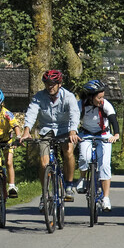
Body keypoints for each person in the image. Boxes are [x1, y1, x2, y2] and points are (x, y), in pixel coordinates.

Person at [21, 69, 81, 202]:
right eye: (47, 83)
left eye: (53, 84)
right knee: (43, 163)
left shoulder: (68, 97)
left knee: (68, 151)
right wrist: (26, 131)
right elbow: (31, 113)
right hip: (46, 130)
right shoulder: (39, 97)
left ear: (59, 84)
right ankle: (45, 192)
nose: (50, 86)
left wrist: (73, 131)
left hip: (65, 129)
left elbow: (74, 114)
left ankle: (69, 185)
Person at [74, 79, 120, 212]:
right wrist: (74, 133)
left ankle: (106, 198)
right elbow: (74, 120)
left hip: (104, 135)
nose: (101, 100)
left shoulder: (106, 105)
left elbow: (113, 119)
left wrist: (116, 135)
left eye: (102, 97)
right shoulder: (80, 105)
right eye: (99, 97)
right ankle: (82, 179)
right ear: (90, 97)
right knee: (84, 157)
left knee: (105, 165)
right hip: (86, 135)